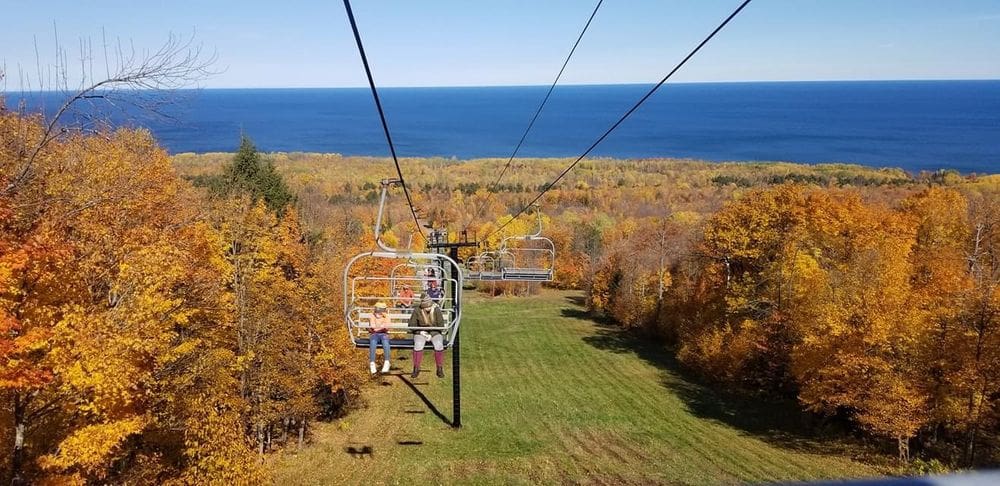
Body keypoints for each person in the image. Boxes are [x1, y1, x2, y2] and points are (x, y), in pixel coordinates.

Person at [407, 295, 446, 378]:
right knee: (418, 344)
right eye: (426, 307)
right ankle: (416, 368)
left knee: (438, 344)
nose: (427, 308)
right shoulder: (417, 311)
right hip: (421, 332)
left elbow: (441, 325)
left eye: (429, 306)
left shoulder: (436, 310)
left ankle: (439, 368)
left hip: (435, 332)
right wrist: (421, 332)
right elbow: (411, 325)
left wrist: (431, 334)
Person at [368, 302, 392, 375]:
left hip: (384, 334)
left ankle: (387, 362)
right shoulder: (372, 316)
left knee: (385, 342)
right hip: (375, 334)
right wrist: (380, 327)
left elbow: (387, 326)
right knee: (373, 342)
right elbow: (372, 326)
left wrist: (378, 327)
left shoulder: (387, 316)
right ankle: (372, 363)